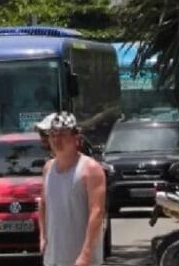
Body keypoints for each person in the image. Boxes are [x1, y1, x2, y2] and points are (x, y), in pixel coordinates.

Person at [37, 112, 106, 266]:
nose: (56, 140)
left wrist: (85, 254)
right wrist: (43, 237)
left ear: (76, 137)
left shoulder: (90, 169)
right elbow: (43, 204)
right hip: (53, 257)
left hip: (80, 260)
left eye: (62, 134)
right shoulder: (48, 168)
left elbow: (97, 213)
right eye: (52, 135)